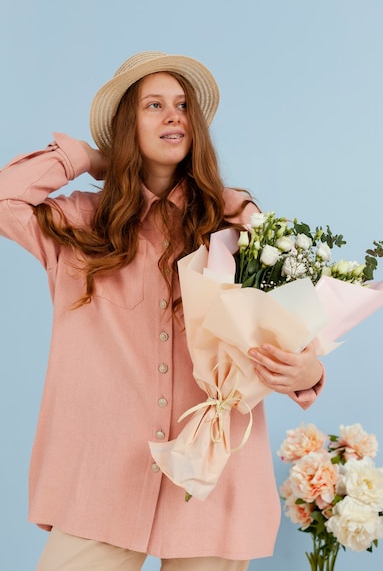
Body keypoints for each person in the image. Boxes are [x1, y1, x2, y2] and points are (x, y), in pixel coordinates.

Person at [0, 51, 325, 571]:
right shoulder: (78, 224)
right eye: (154, 105)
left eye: (182, 105)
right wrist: (87, 158)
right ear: (126, 126)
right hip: (101, 480)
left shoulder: (236, 222)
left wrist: (308, 371)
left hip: (213, 482)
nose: (174, 115)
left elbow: (285, 326)